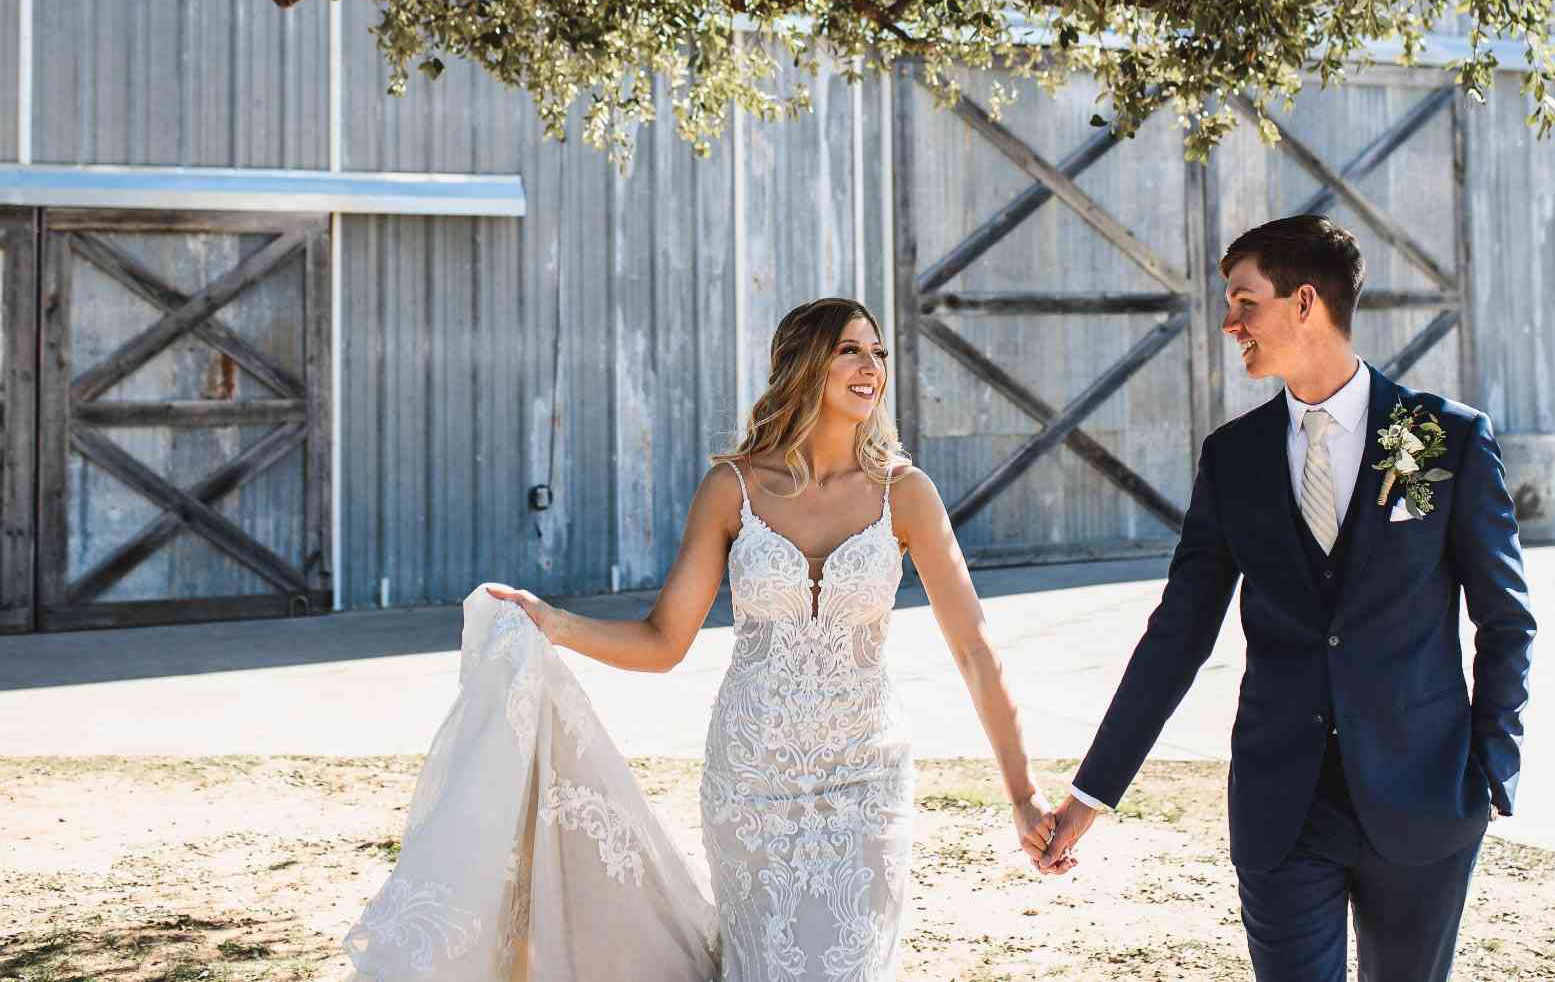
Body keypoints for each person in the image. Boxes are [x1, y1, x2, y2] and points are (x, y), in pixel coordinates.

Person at [343, 296, 1066, 981]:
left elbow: (975, 651)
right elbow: (663, 642)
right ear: (803, 365)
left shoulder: (904, 493)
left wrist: (1023, 794)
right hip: (751, 784)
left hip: (865, 783)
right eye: (849, 350)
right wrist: (553, 623)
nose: (871, 365)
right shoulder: (732, 488)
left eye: (877, 351)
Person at [1038, 214, 1536, 982]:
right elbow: (1178, 634)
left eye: (1245, 302)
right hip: (1281, 805)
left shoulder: (1443, 438)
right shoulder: (1233, 459)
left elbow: (1504, 618)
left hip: (1427, 798)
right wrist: (1091, 794)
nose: (1229, 322)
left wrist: (1492, 768)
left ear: (1305, 303)